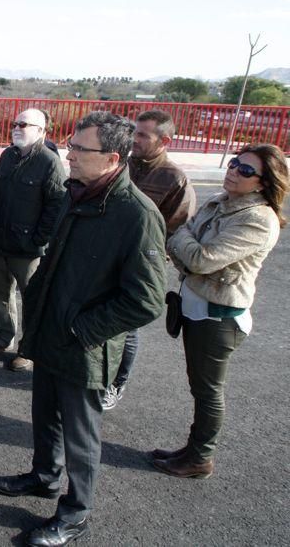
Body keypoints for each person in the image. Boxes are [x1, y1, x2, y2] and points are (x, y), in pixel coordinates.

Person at [0, 112, 166, 547]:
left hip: (84, 345)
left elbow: (146, 300)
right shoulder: (78, 192)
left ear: (110, 158)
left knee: (80, 435)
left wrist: (85, 329)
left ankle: (76, 513)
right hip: (50, 331)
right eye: (70, 144)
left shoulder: (136, 214)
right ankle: (44, 476)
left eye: (79, 148)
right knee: (44, 414)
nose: (68, 152)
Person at [152, 144, 287, 479]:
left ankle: (200, 457)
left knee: (208, 390)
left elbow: (198, 258)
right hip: (197, 304)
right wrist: (188, 247)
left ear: (263, 182)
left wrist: (187, 247)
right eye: (234, 164)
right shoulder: (218, 201)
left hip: (219, 316)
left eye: (245, 170)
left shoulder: (258, 219)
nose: (233, 171)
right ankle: (192, 448)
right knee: (199, 385)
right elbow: (181, 237)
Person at [104, 109, 197, 409]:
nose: (135, 139)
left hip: (138, 267)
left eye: (144, 134)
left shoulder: (174, 179)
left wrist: (145, 258)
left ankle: (117, 384)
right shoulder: (123, 164)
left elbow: (178, 232)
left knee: (126, 328)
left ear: (165, 140)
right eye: (135, 132)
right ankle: (97, 374)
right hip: (105, 259)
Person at [0, 108, 66, 369]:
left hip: (28, 249)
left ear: (40, 131)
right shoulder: (8, 155)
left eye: (24, 124)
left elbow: (57, 205)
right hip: (0, 242)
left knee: (31, 299)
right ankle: (4, 336)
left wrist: (38, 239)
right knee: (0, 294)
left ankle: (27, 349)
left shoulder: (49, 162)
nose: (16, 127)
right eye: (15, 123)